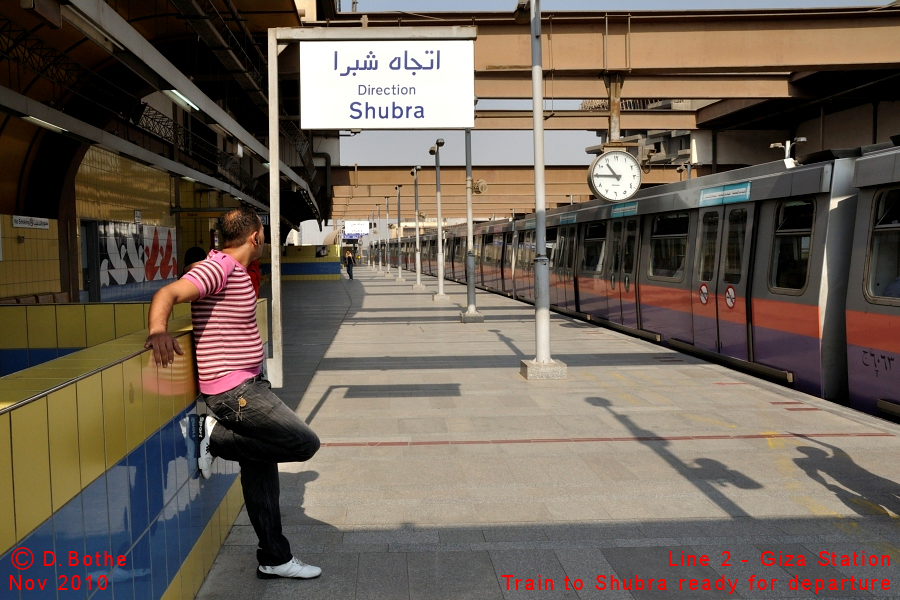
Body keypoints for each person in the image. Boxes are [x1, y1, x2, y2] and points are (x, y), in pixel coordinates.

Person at [145, 206, 321, 581]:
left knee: (261, 474)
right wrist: (158, 330)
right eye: (265, 235)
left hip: (246, 384)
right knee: (303, 443)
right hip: (234, 392)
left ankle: (274, 558)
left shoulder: (234, 269)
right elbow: (170, 291)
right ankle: (217, 438)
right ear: (256, 236)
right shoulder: (218, 267)